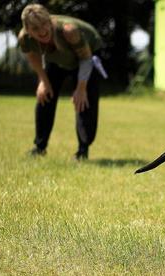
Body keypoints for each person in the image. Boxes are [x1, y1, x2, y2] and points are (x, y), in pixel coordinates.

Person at [18, 4, 104, 160]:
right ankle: (39, 147)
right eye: (36, 28)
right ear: (28, 30)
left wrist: (81, 88)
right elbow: (33, 57)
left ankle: (82, 151)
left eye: (45, 24)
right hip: (56, 60)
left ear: (50, 21)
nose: (42, 31)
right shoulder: (25, 38)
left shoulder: (68, 30)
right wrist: (43, 81)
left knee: (83, 101)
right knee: (45, 96)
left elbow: (85, 59)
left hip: (86, 56)